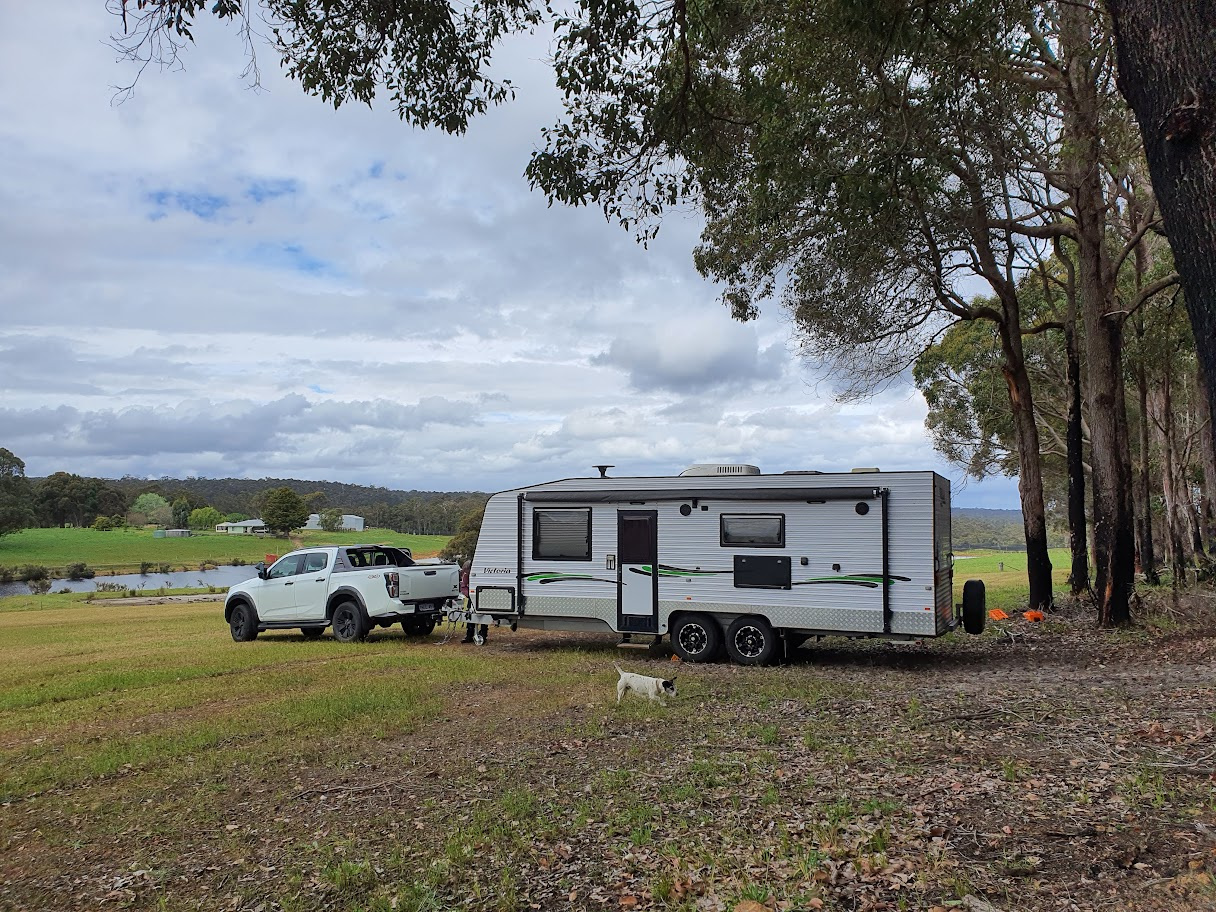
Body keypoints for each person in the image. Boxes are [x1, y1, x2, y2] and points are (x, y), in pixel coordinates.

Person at [460, 560, 488, 644]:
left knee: (484, 617)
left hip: (482, 596)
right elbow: (463, 586)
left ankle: (483, 635)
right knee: (470, 616)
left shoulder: (482, 573)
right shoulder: (466, 575)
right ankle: (469, 635)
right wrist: (468, 595)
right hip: (471, 597)